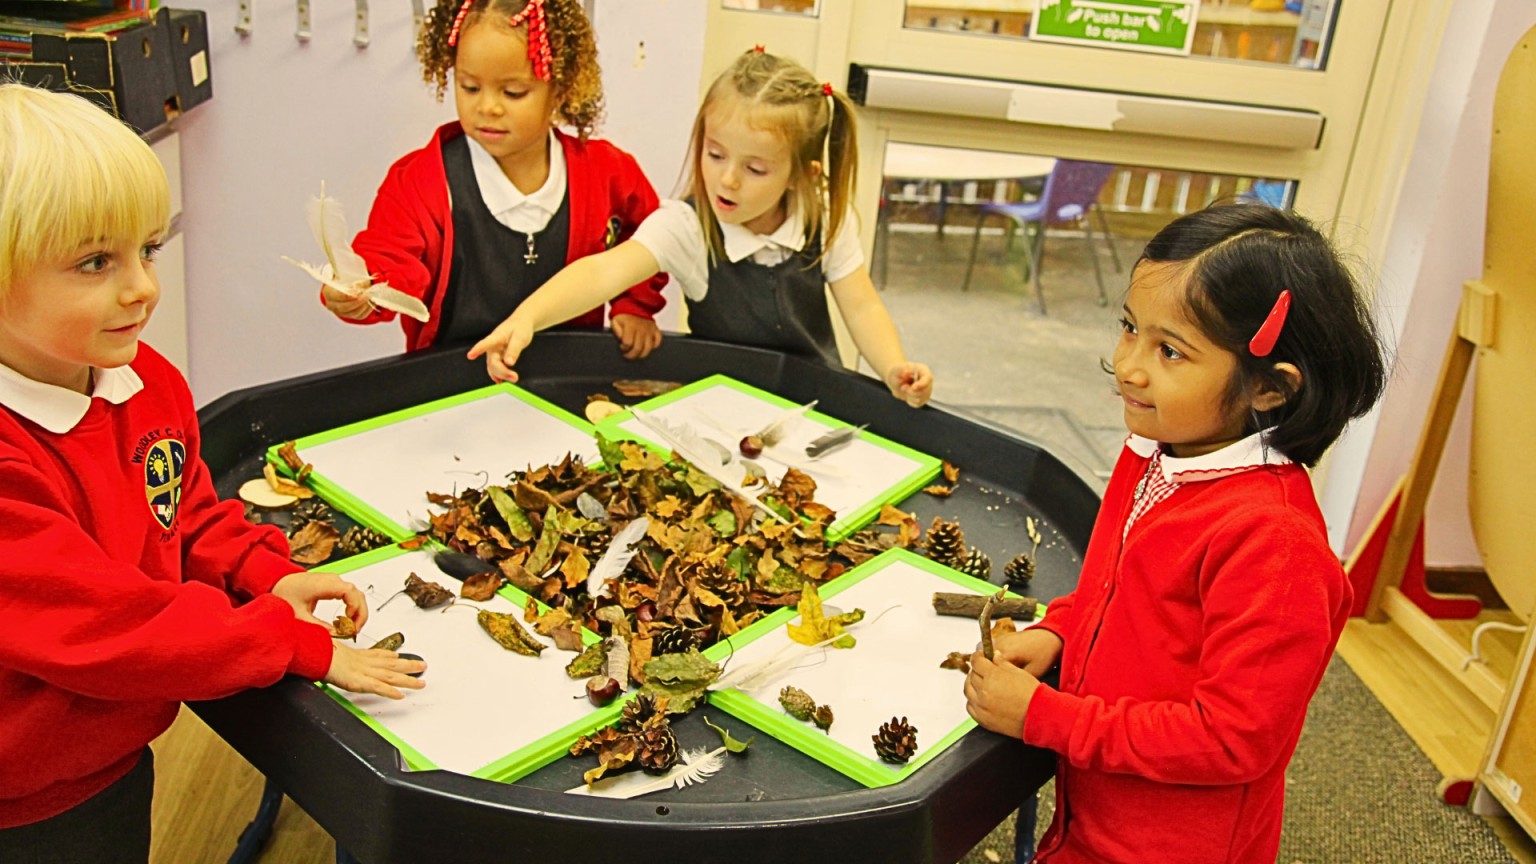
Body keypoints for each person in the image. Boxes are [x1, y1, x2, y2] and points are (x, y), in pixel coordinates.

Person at [0, 84, 426, 863]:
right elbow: (111, 627)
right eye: (96, 262)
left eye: (148, 250)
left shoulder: (145, 380)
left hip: (111, 751)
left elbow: (184, 514)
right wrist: (291, 643)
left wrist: (264, 573)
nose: (142, 287)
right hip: (25, 800)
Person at [964, 202, 1388, 863]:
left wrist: (1047, 718)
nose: (1129, 365)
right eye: (1129, 328)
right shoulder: (1156, 454)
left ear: (1269, 390)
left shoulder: (1273, 542)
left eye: (1169, 351)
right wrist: (1060, 633)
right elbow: (1113, 592)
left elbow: (1231, 740)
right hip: (1097, 814)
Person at [468, 47, 934, 408]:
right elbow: (601, 273)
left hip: (812, 406)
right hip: (717, 405)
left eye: (755, 169)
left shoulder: (825, 216)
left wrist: (893, 367)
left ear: (802, 174)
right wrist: (525, 319)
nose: (726, 179)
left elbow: (862, 307)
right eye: (715, 155)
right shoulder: (688, 227)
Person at [321, 0, 668, 359]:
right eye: (470, 87)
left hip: (565, 373)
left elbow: (650, 239)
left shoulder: (607, 172)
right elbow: (389, 258)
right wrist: (364, 287)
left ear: (560, 90)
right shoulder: (417, 182)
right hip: (453, 381)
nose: (488, 107)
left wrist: (635, 304)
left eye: (513, 92)